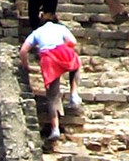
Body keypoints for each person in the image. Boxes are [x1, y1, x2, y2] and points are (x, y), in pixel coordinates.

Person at [19, 17, 83, 146]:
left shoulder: (37, 32)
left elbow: (23, 51)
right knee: (76, 64)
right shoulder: (60, 28)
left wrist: (26, 66)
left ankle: (55, 128)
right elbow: (73, 42)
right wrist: (64, 47)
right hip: (61, 51)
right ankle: (74, 93)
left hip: (47, 57)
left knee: (52, 96)